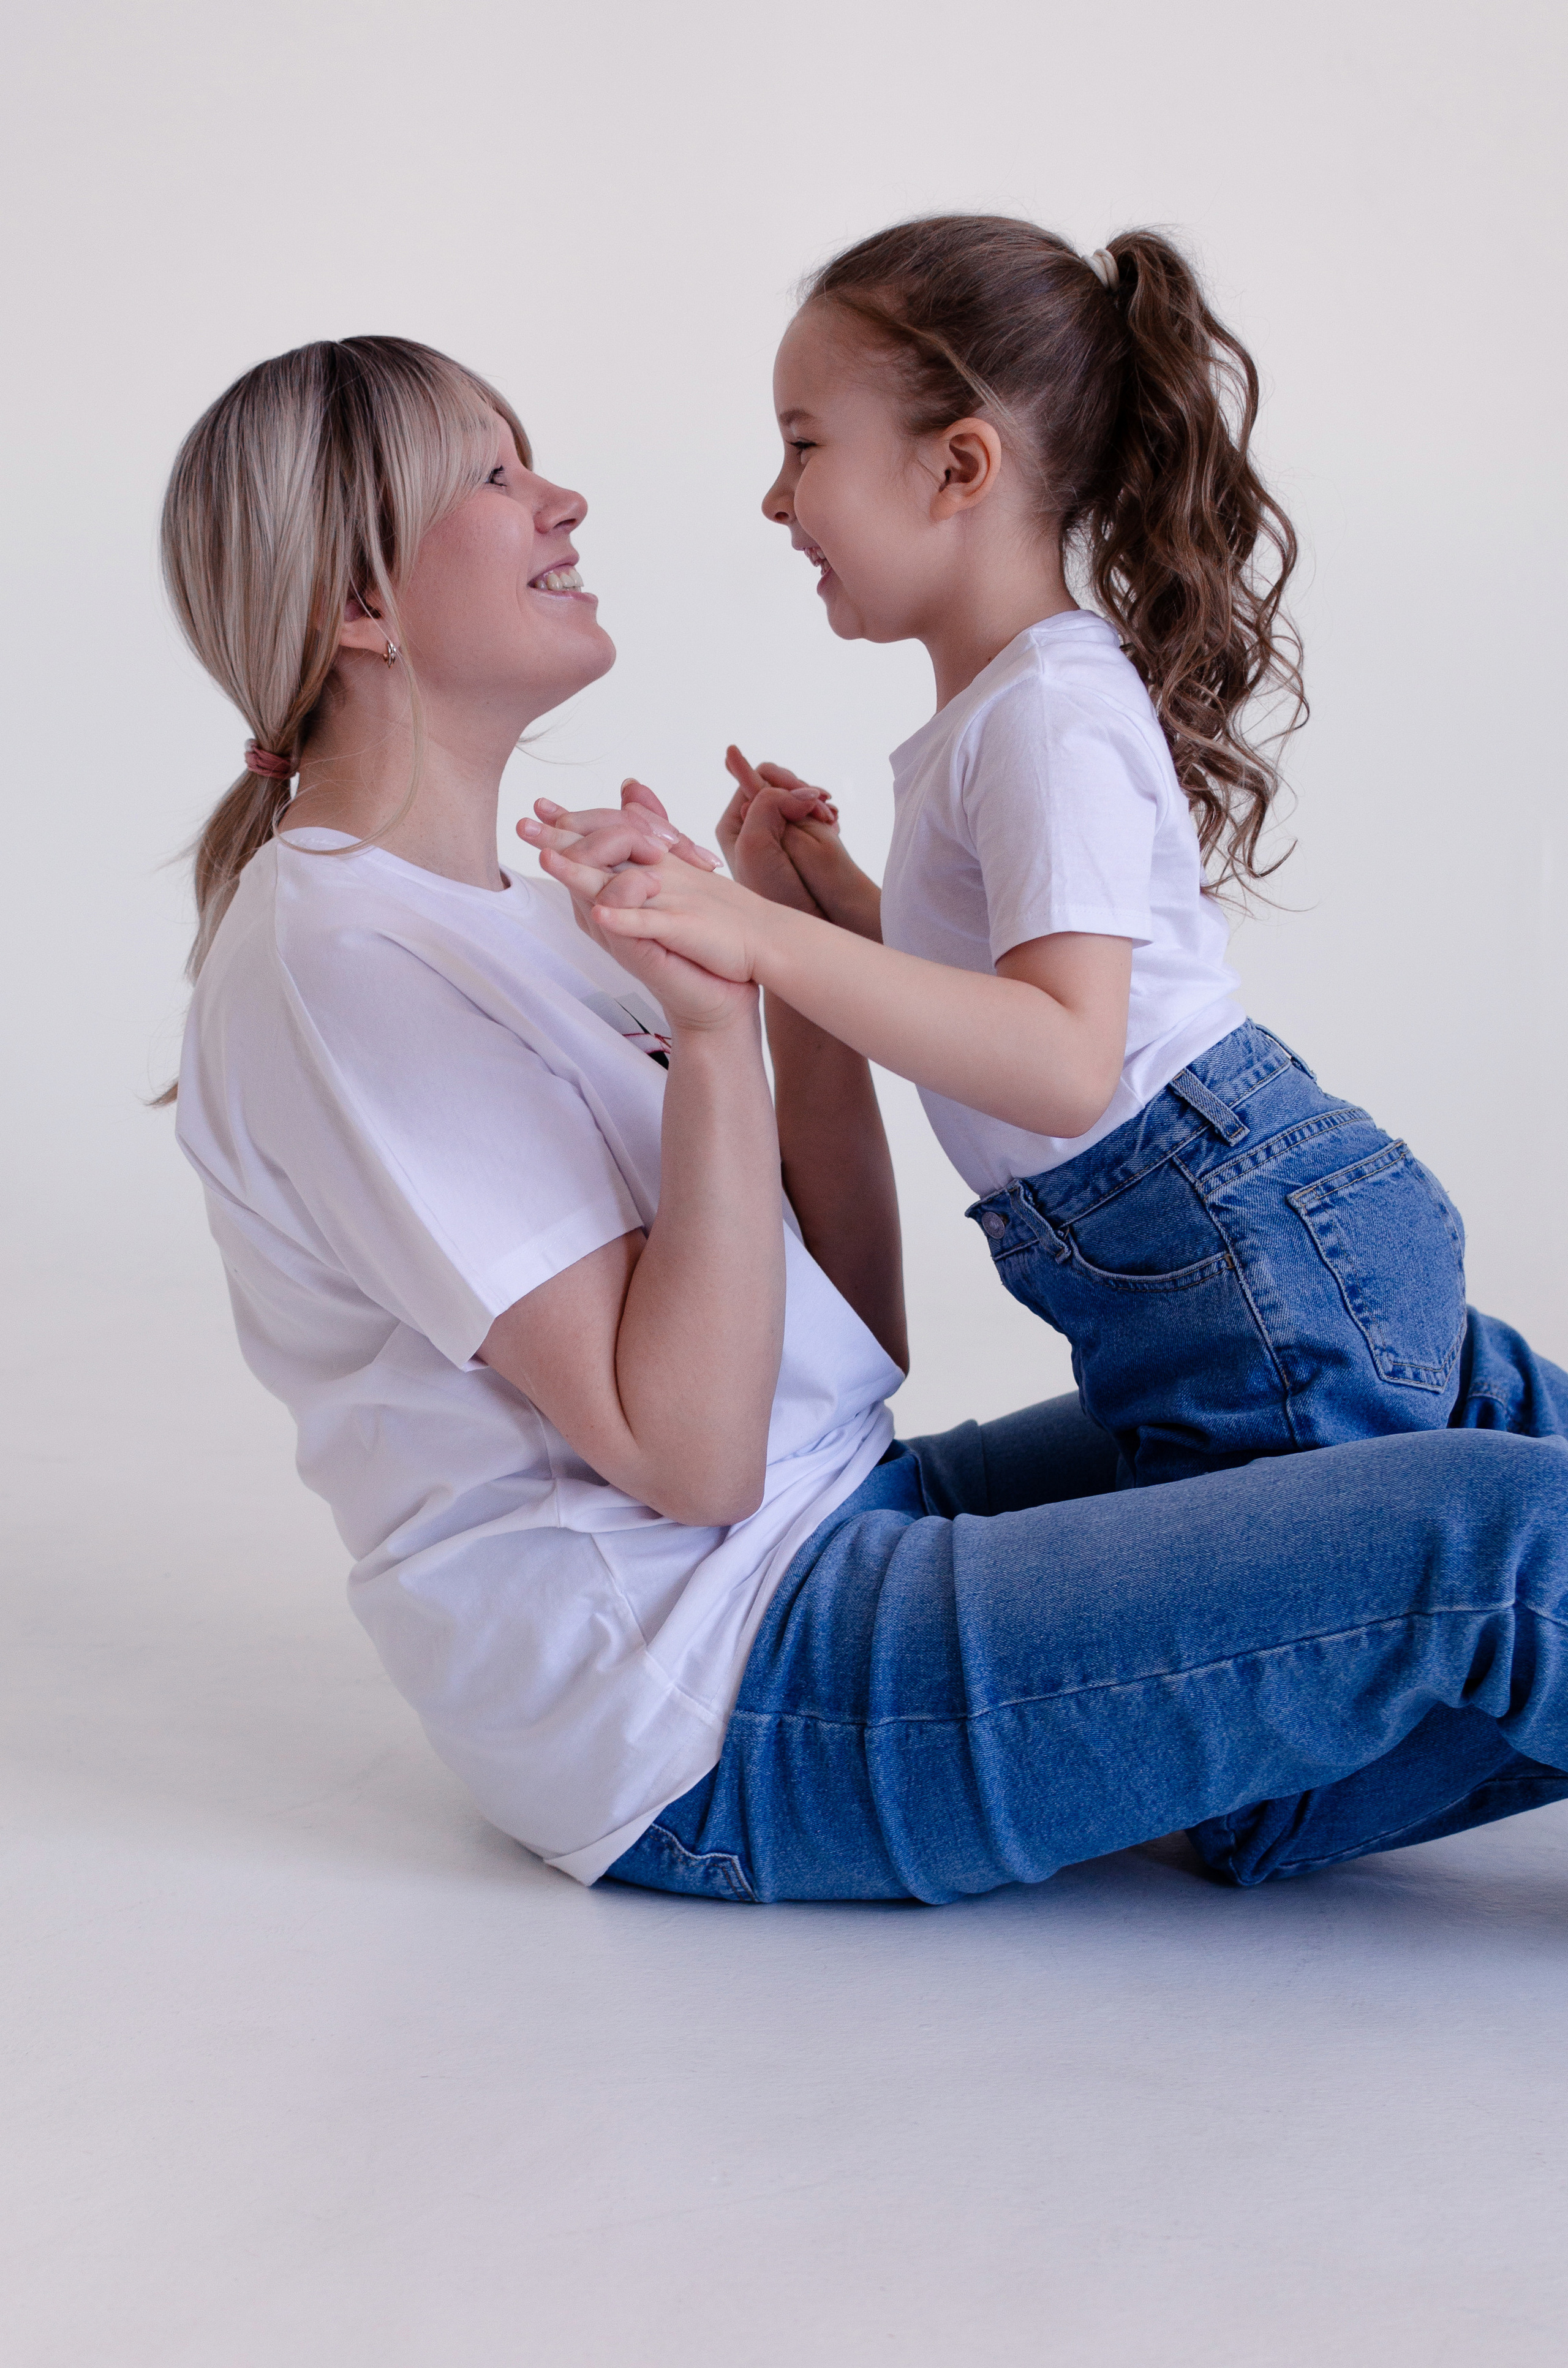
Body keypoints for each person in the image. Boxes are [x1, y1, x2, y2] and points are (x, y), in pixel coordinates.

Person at [163, 334, 1568, 1906]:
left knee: (1466, 1387)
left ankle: (1276, 1749)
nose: (562, 499)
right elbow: (691, 1458)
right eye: (494, 475)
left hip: (841, 1511)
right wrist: (709, 1032)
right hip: (716, 1691)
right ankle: (1279, 1754)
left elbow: (845, 1340)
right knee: (1497, 1542)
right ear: (358, 605)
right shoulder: (336, 957)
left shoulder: (529, 912)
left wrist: (792, 979)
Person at [525, 217, 1468, 1490]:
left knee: (1368, 1652)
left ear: (958, 466)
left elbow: (1064, 1058)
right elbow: (992, 992)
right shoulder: (1007, 711)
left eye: (803, 446)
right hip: (1219, 1249)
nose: (773, 496)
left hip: (1239, 1255)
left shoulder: (1043, 717)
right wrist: (823, 904)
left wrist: (759, 936)